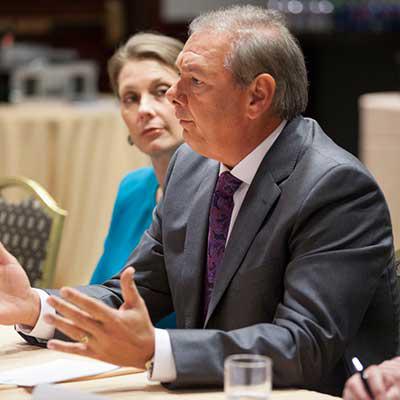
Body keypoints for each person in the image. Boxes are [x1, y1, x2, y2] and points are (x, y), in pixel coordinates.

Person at [0, 5, 398, 397]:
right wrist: (35, 306)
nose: (174, 95)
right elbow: (135, 291)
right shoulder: (192, 167)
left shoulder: (334, 188)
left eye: (194, 81)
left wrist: (157, 349)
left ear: (257, 96)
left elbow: (303, 344)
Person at [88, 32, 184, 328]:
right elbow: (101, 291)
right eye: (131, 98)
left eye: (161, 91)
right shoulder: (132, 188)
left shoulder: (224, 192)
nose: (144, 109)